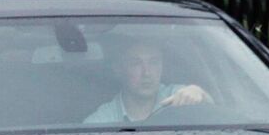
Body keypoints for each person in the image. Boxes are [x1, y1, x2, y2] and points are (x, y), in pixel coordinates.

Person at [82, 37, 210, 124]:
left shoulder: (178, 96)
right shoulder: (101, 122)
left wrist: (199, 93)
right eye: (136, 63)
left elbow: (216, 113)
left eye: (154, 62)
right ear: (119, 70)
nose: (147, 73)